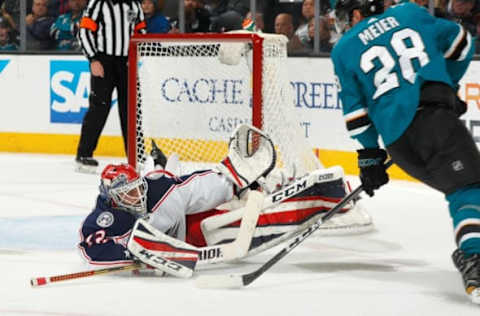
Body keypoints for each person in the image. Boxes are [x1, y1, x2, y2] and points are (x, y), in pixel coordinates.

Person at [331, 0, 480, 304]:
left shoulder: (343, 49)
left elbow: (356, 117)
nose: (347, 23)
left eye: (348, 16)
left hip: (399, 146)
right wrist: (447, 85)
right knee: (468, 189)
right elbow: (463, 43)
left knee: (464, 189)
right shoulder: (409, 12)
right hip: (432, 122)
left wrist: (371, 158)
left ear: (359, 13)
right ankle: (474, 259)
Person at [78, 125, 361, 273]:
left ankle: (324, 192)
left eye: (137, 187)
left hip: (190, 226)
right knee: (246, 221)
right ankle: (323, 198)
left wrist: (230, 180)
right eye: (127, 193)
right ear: (111, 198)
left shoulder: (157, 186)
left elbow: (193, 188)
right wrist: (131, 251)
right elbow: (91, 247)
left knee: (245, 205)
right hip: (188, 240)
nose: (137, 195)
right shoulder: (104, 218)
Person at [76, 0, 146, 172]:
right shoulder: (99, 3)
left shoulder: (134, 5)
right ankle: (84, 154)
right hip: (103, 61)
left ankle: (136, 156)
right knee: (99, 108)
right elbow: (84, 31)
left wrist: (136, 54)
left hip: (127, 63)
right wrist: (93, 59)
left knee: (131, 110)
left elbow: (141, 31)